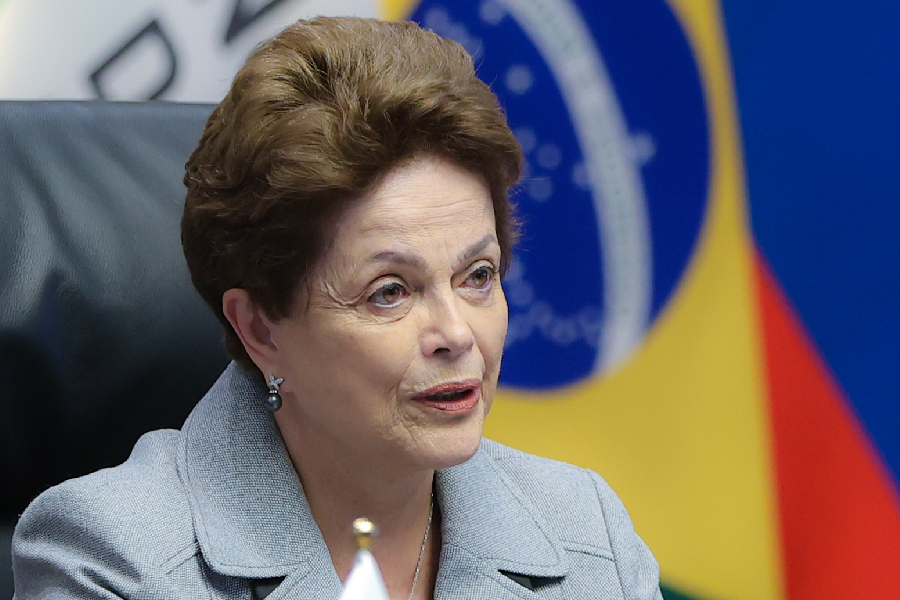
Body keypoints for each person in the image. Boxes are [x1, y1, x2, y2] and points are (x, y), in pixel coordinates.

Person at [12, 17, 662, 600]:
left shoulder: (587, 535)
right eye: (390, 292)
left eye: (478, 277)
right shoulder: (116, 563)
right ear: (260, 329)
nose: (457, 333)